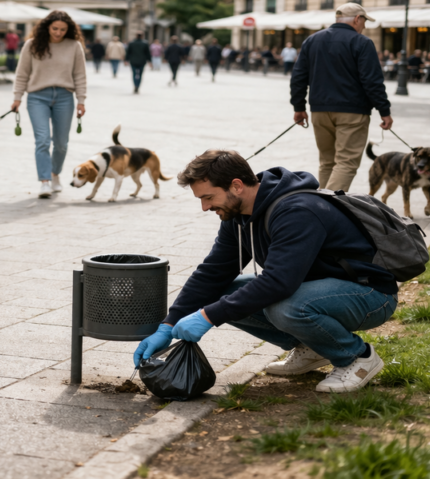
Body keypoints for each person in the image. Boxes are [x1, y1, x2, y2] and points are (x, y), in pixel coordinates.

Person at [134, 150, 396, 393]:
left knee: (285, 306)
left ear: (236, 186)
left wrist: (207, 316)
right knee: (219, 293)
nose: (204, 207)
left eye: (208, 197)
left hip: (369, 293)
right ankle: (312, 348)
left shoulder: (297, 211)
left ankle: (357, 358)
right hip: (314, 291)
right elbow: (212, 273)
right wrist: (169, 324)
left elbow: (279, 283)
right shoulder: (237, 216)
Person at [290, 3, 392, 192]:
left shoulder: (312, 40)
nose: (364, 26)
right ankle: (327, 208)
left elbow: (298, 78)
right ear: (357, 19)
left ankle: (319, 204)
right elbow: (372, 82)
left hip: (320, 110)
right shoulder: (362, 42)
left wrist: (299, 107)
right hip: (352, 111)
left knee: (327, 162)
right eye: (364, 21)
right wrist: (384, 111)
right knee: (346, 163)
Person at [11, 10, 87, 198]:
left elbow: (80, 75)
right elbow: (22, 73)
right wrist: (17, 98)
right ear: (47, 27)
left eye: (62, 29)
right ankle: (44, 181)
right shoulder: (32, 45)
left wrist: (81, 100)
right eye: (55, 28)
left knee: (61, 143)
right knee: (43, 139)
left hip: (64, 97)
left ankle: (55, 175)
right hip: (37, 97)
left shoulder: (74, 46)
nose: (58, 32)